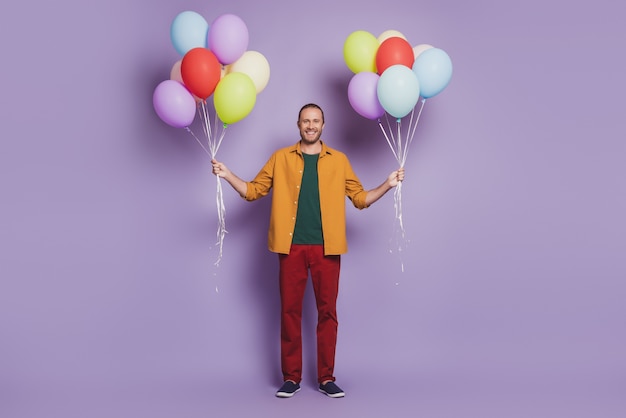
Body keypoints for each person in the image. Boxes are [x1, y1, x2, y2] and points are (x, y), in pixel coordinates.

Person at [211, 103, 404, 398]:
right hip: (291, 248)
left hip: (327, 249)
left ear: (323, 126)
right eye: (305, 121)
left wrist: (387, 184)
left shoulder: (339, 161)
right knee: (290, 312)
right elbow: (253, 191)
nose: (310, 125)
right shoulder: (280, 158)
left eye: (315, 121)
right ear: (298, 125)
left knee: (328, 313)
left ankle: (326, 378)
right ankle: (291, 378)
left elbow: (360, 198)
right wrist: (227, 174)